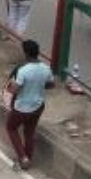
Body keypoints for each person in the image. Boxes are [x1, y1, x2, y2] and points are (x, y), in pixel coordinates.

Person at [5, 39, 54, 170]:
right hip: (38, 106)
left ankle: (23, 158)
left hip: (22, 107)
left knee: (11, 128)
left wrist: (10, 86)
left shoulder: (23, 70)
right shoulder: (46, 68)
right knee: (29, 132)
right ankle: (28, 157)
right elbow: (51, 84)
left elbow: (15, 89)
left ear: (26, 53)